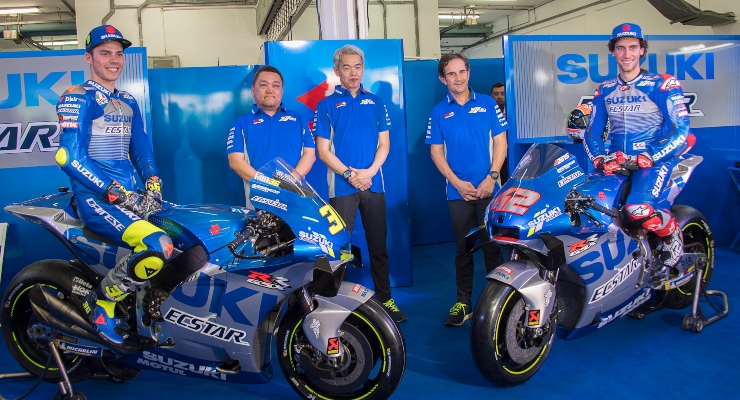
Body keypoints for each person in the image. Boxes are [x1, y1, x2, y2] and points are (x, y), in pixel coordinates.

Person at [55, 25, 172, 346]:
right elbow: (69, 157)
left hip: (132, 198)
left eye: (118, 53)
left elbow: (142, 149)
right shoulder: (77, 97)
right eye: (104, 53)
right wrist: (114, 192)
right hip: (97, 200)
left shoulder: (127, 100)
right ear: (88, 57)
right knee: (158, 246)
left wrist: (154, 185)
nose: (114, 60)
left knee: (186, 238)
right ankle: (102, 302)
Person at [585, 22, 691, 267]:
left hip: (653, 161)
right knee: (588, 208)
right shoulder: (604, 89)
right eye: (620, 48)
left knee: (638, 211)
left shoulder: (662, 85)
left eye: (633, 47)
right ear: (612, 52)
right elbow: (592, 133)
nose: (627, 54)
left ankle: (672, 234)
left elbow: (680, 130)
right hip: (615, 162)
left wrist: (650, 156)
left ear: (642, 50)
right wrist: (599, 159)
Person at [313, 44, 406, 323]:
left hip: (373, 185)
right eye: (346, 67)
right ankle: (331, 304)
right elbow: (323, 151)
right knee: (338, 249)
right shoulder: (326, 105)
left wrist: (368, 173)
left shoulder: (377, 103)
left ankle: (386, 299)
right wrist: (350, 175)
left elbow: (384, 145)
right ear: (336, 70)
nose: (353, 73)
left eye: (358, 67)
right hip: (342, 187)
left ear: (362, 68)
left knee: (378, 245)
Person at [427, 54, 508, 326]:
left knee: (493, 248)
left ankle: (501, 304)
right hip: (457, 193)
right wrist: (457, 183)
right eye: (451, 74)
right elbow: (436, 153)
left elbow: (501, 143)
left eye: (462, 72)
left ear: (468, 73)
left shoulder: (487, 103)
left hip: (489, 190)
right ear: (443, 79)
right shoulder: (438, 112)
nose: (458, 78)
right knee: (463, 250)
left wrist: (492, 177)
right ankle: (464, 304)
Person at [226, 65, 316, 204]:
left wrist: (288, 183)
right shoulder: (241, 123)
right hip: (258, 200)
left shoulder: (298, 119)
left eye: (275, 85)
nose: (270, 90)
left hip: (294, 198)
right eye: (263, 85)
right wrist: (268, 184)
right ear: (253, 90)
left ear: (282, 90)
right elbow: (235, 162)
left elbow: (310, 155)